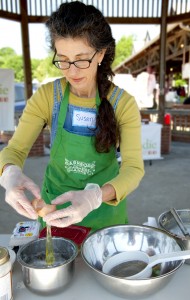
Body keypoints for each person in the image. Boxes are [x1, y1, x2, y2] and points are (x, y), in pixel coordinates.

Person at [0, 1, 144, 232]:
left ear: (101, 53)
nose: (72, 71)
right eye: (63, 59)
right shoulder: (48, 97)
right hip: (54, 212)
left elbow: (133, 168)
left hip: (103, 214)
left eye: (81, 59)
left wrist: (95, 196)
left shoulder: (122, 104)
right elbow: (15, 150)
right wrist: (9, 173)